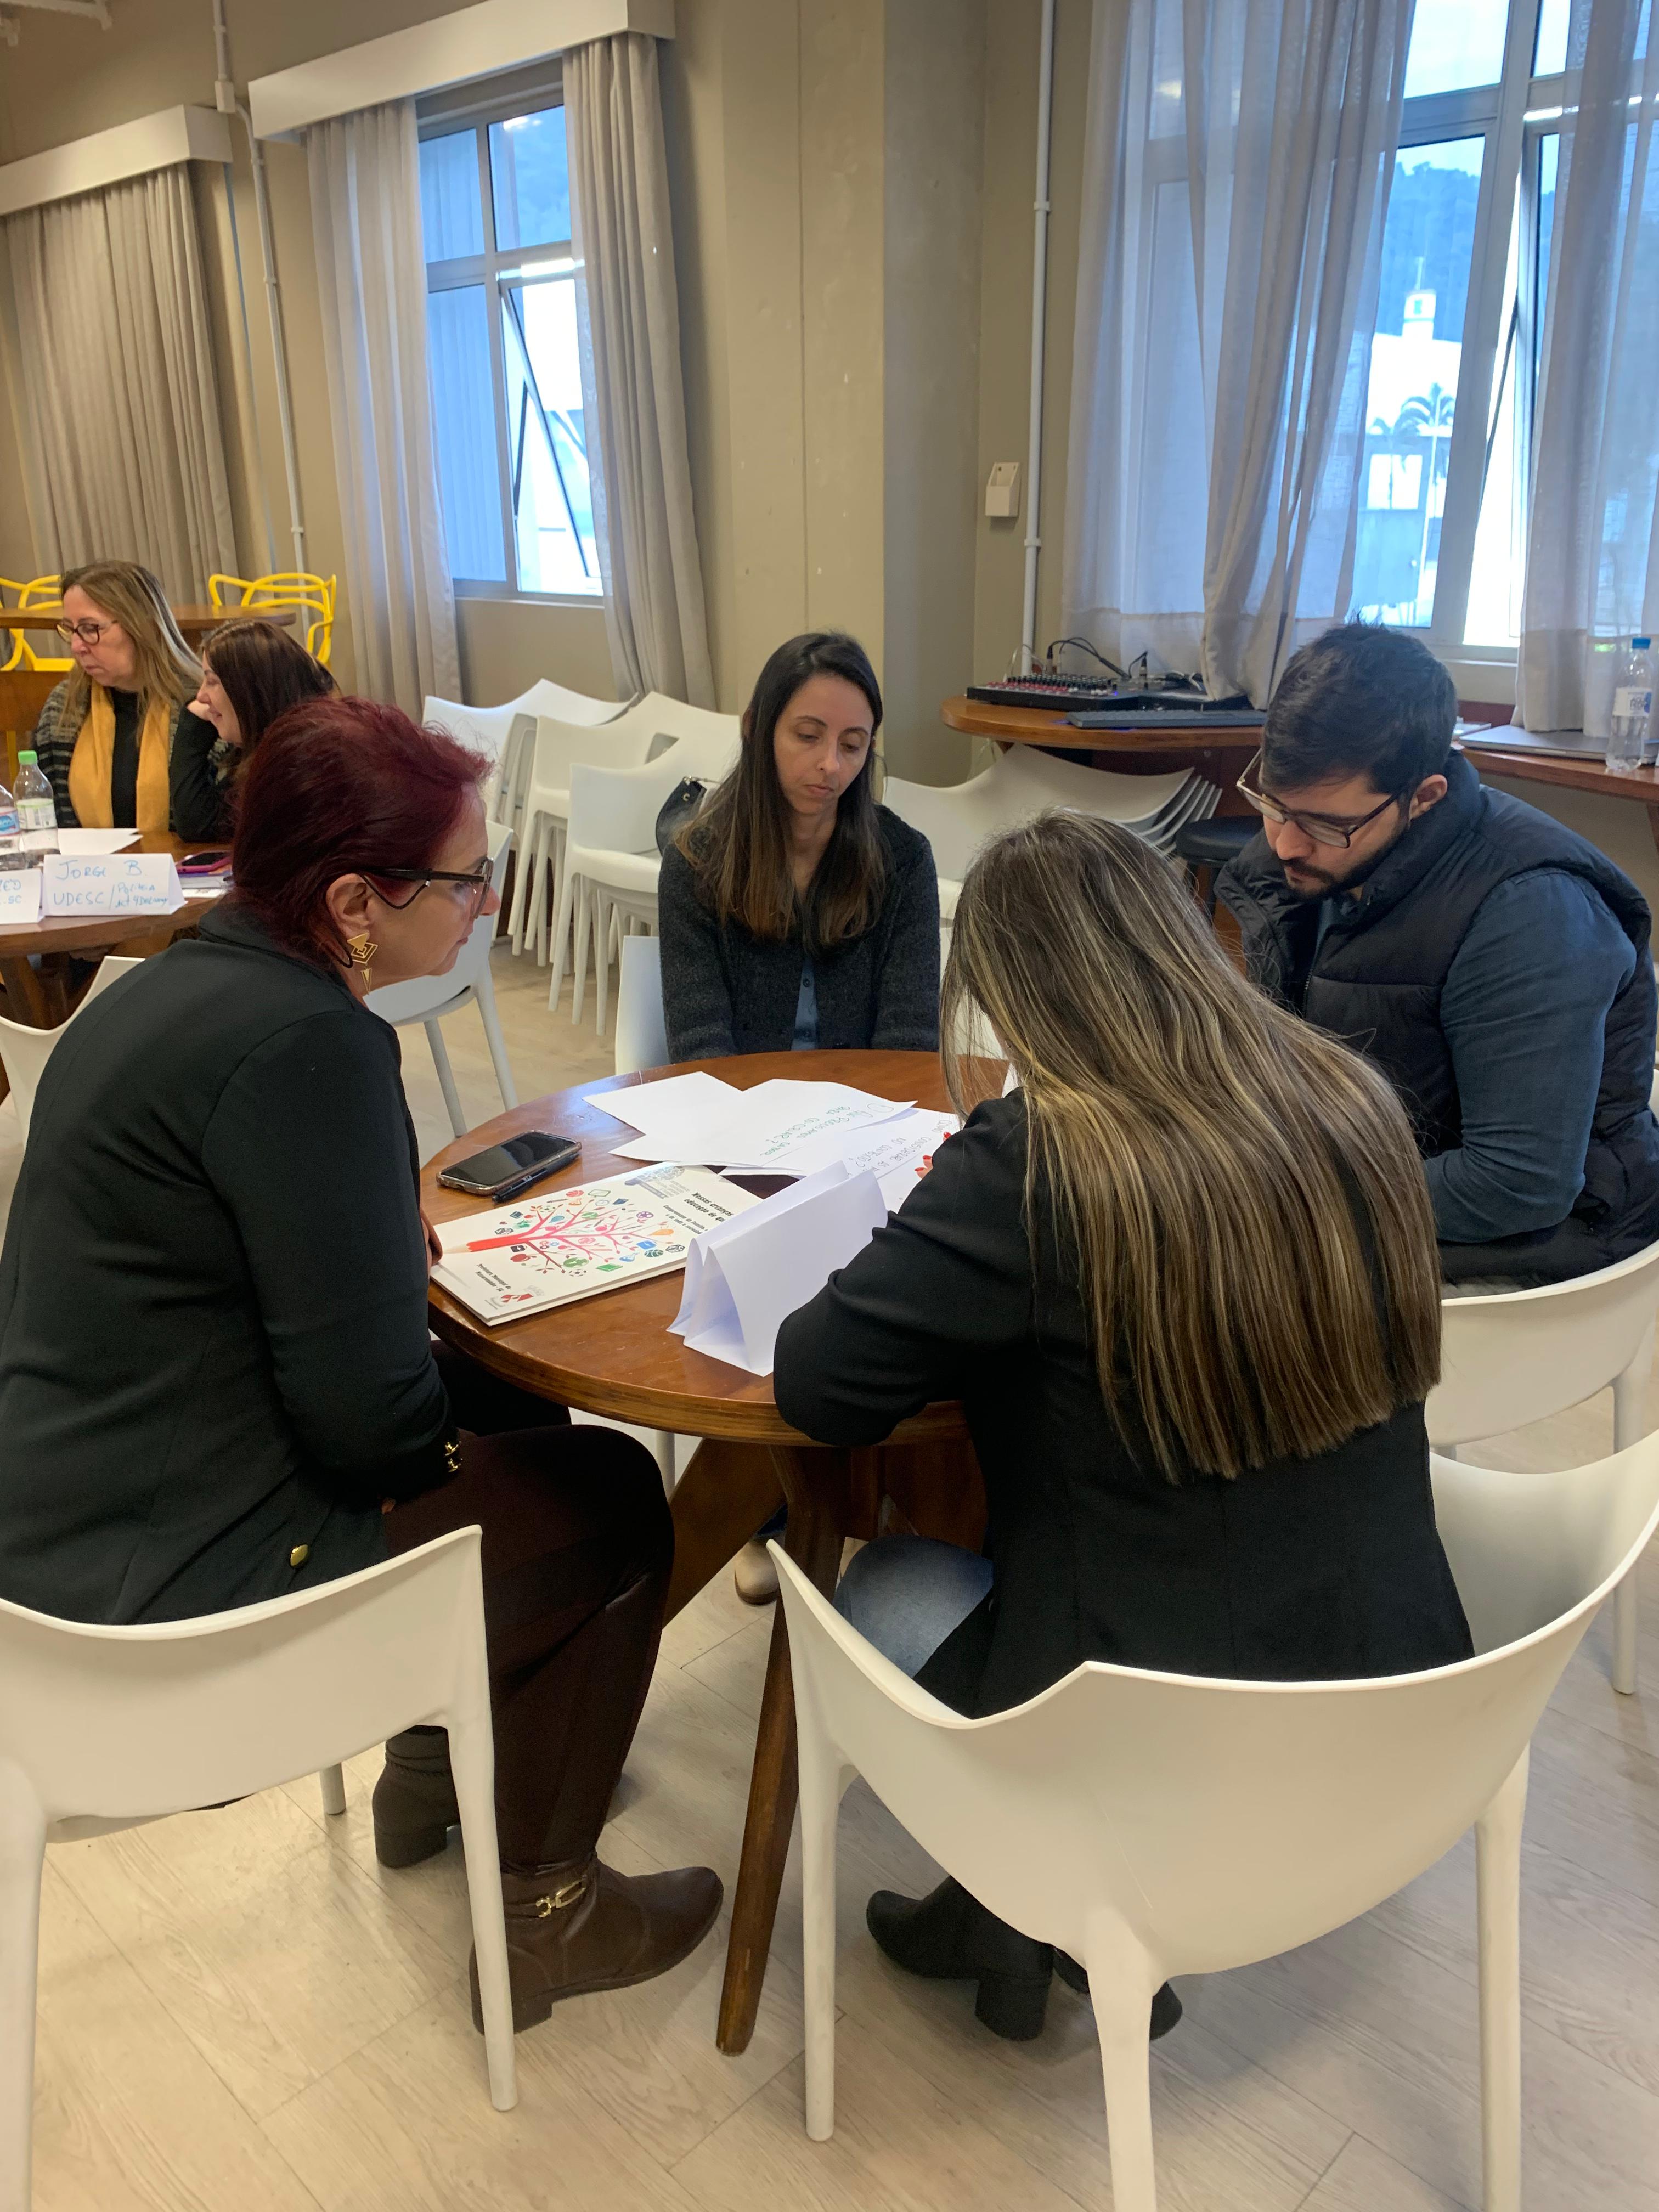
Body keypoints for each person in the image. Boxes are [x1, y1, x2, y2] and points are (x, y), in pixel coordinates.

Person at [0, 696, 721, 2033]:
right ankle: (548, 1916)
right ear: (352, 903)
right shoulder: (310, 1047)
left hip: (66, 1532)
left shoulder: (166, 988)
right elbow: (369, 1427)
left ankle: (434, 1772)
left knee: (507, 1392)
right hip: (158, 1616)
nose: (485, 906)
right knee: (616, 1502)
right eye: (462, 881)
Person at [772, 810, 1473, 2043]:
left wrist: (940, 1231)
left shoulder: (1039, 1160)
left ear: (1010, 998)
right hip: (1400, 1720)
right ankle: (1007, 1928)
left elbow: (819, 1387)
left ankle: (1045, 1904)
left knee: (885, 1582)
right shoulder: (1350, 1102)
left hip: (1162, 1769)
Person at [1218, 622, 1659, 1285]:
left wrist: (1277, 1197)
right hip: (1384, 1162)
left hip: (1547, 1234)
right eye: (1272, 806)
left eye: (1324, 825)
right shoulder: (1314, 854)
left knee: (1208, 1275)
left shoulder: (1528, 914)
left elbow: (1517, 1184)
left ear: (1423, 798)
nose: (1284, 844)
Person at [658, 631, 940, 1062]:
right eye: (809, 736)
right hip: (737, 1100)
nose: (831, 764)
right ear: (755, 729)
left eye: (852, 745)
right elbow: (700, 1045)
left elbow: (910, 1045)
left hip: (869, 1102)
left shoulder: (905, 861)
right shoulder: (696, 862)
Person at [27, 560, 222, 839]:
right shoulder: (64, 707)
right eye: (71, 630)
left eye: (90, 629)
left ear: (141, 626)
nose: (77, 647)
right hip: (85, 866)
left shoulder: (204, 705)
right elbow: (46, 819)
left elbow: (221, 824)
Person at [189, 616, 335, 835]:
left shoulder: (295, 771)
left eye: (212, 682)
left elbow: (199, 825)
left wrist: (191, 727)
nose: (200, 696)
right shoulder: (263, 750)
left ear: (249, 689)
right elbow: (196, 823)